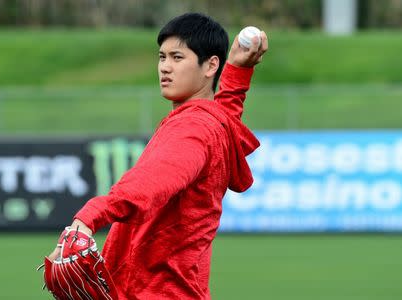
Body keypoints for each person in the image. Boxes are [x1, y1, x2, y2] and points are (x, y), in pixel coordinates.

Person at [47, 12, 268, 299]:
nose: (165, 67)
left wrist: (87, 218)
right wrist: (237, 71)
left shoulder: (194, 128)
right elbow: (225, 114)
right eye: (162, 57)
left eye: (177, 58)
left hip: (155, 291)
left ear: (211, 65)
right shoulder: (211, 123)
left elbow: (151, 183)